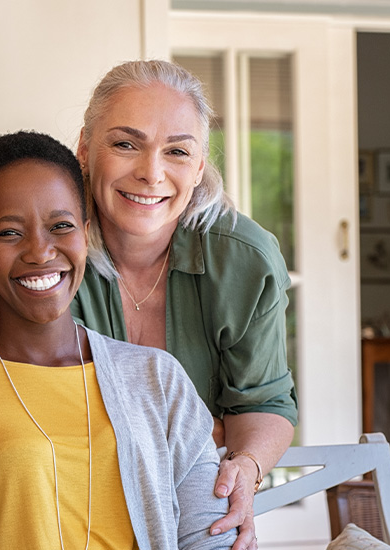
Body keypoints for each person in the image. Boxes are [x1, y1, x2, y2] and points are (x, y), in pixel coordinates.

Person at [0, 131, 236, 549]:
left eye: (61, 226)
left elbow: (210, 536)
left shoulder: (157, 381)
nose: (40, 251)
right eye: (9, 233)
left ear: (84, 234)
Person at [70, 59, 297, 548]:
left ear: (199, 167)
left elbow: (263, 402)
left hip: (194, 494)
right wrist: (188, 431)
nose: (151, 173)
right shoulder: (50, 251)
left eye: (177, 151)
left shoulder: (246, 260)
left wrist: (245, 464)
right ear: (85, 149)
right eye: (126, 144)